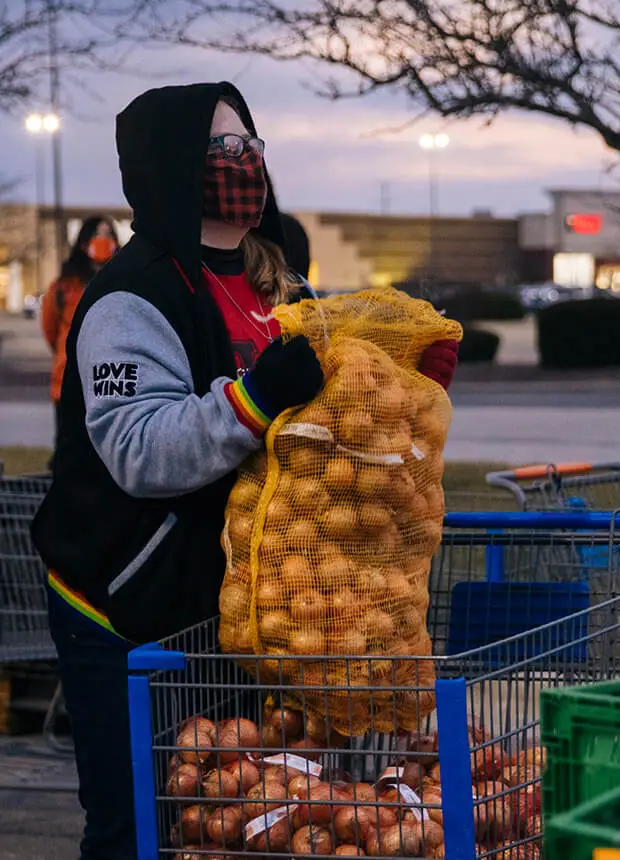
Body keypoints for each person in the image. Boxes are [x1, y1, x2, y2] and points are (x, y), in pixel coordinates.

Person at [32, 82, 457, 859]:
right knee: (139, 824)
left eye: (251, 145)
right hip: (127, 604)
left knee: (226, 824)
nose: (245, 161)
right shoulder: (129, 298)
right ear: (171, 166)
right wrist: (255, 397)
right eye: (223, 148)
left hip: (237, 612)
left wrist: (400, 385)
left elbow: (327, 431)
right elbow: (141, 449)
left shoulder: (281, 283)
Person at [41, 215, 119, 452]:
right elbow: (50, 329)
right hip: (68, 383)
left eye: (108, 234)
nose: (103, 240)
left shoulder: (123, 280)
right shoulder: (64, 287)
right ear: (84, 242)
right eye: (97, 234)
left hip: (109, 385)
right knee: (70, 452)